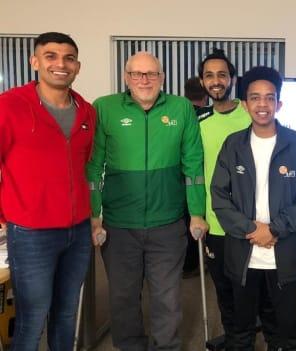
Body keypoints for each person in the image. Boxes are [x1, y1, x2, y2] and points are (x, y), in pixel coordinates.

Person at [87, 52, 208, 350]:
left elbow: (193, 165)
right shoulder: (104, 108)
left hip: (167, 223)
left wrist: (196, 213)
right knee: (123, 296)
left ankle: (166, 347)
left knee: (167, 296)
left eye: (152, 74)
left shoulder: (180, 108)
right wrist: (94, 214)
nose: (145, 80)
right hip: (118, 223)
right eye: (137, 74)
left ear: (162, 78)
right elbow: (93, 166)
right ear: (126, 78)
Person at [211, 66, 296, 350]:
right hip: (243, 253)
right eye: (255, 98)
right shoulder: (233, 145)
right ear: (245, 104)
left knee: (287, 332)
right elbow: (219, 195)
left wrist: (274, 229)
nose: (262, 104)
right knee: (240, 330)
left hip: (285, 254)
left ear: (279, 104)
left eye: (269, 98)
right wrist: (251, 229)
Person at [0, 32, 96, 351]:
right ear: (35, 61)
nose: (60, 63)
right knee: (32, 318)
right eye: (51, 55)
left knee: (66, 315)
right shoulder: (10, 105)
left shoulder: (86, 111)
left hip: (78, 231)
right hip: (31, 234)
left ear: (78, 66)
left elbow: (83, 165)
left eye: (68, 57)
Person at [197, 48, 251, 347]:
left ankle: (247, 338)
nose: (216, 81)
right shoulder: (198, 121)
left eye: (222, 74)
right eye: (209, 75)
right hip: (215, 223)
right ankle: (234, 340)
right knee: (225, 290)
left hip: (252, 222)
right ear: (202, 81)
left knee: (253, 289)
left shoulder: (250, 113)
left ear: (231, 78)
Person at [181, 76, 209, 278]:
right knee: (198, 220)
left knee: (183, 222)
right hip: (202, 177)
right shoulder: (207, 116)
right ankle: (193, 264)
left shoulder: (179, 114)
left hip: (178, 178)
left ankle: (184, 265)